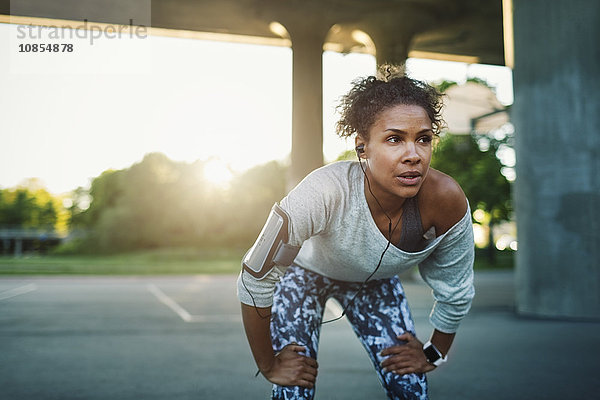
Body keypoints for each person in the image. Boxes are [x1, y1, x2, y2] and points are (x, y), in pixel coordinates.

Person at [237, 64, 475, 400]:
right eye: (394, 139)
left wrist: (434, 352)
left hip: (374, 285)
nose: (413, 155)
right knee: (293, 389)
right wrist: (268, 365)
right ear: (363, 147)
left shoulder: (445, 200)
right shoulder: (324, 191)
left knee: (410, 387)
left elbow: (456, 288)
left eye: (423, 139)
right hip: (305, 276)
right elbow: (255, 275)